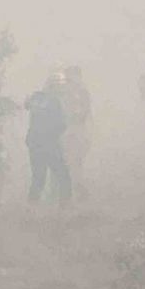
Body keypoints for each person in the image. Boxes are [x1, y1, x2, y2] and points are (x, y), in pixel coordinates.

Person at [25, 72, 72, 206]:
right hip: (50, 144)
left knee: (38, 179)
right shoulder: (54, 101)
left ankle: (30, 209)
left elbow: (27, 105)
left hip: (35, 145)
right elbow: (61, 124)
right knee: (63, 176)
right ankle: (65, 208)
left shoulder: (37, 97)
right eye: (61, 87)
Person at [61, 65, 92, 200]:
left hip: (77, 129)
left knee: (76, 160)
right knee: (71, 160)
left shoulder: (82, 92)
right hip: (69, 129)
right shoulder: (64, 92)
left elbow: (86, 111)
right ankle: (75, 187)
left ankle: (76, 186)